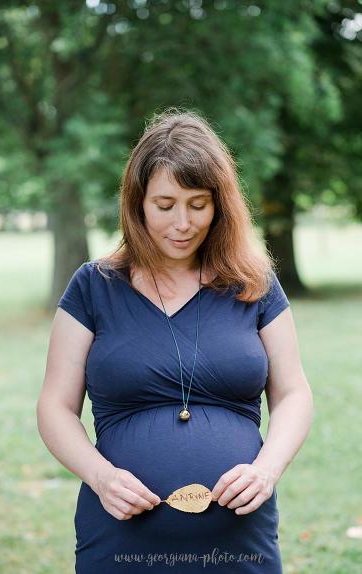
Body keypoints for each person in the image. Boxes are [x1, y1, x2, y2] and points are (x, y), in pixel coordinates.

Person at [37, 111, 313, 573]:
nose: (182, 223)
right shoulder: (94, 286)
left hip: (239, 540)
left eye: (198, 203)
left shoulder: (255, 283)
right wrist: (101, 477)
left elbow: (294, 393)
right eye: (165, 205)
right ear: (138, 203)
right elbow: (54, 407)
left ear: (220, 204)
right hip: (120, 536)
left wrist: (266, 471)